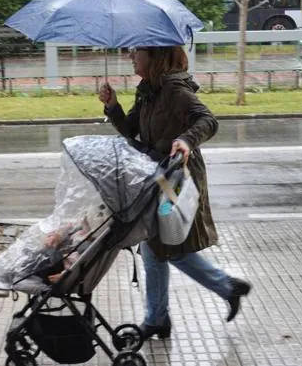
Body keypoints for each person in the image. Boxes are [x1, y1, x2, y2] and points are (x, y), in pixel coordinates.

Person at [99, 46, 252, 340]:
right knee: (157, 245)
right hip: (158, 175)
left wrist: (185, 140)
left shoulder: (173, 89)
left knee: (164, 244)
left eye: (136, 52)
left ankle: (166, 314)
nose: (131, 56)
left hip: (177, 177)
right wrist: (113, 106)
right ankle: (168, 313)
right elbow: (131, 129)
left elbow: (208, 120)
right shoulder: (148, 89)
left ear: (155, 56)